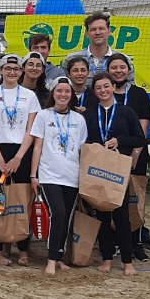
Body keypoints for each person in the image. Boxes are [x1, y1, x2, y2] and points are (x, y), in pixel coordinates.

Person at [83, 72, 146, 276]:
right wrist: (92, 146)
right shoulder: (89, 115)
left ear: (113, 87)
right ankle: (107, 258)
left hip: (118, 170)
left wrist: (120, 140)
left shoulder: (126, 112)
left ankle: (127, 261)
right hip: (96, 169)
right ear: (94, 92)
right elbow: (82, 141)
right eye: (98, 88)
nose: (103, 90)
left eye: (106, 86)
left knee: (121, 216)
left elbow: (140, 139)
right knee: (101, 215)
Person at [0, 53, 41, 266]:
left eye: (16, 69)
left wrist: (18, 157)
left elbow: (31, 129)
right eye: (7, 68)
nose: (12, 72)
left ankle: (23, 249)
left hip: (22, 152)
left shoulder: (29, 96)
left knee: (22, 200)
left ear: (21, 71)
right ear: (0, 70)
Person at [29, 77, 88, 276]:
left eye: (67, 91)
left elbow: (82, 150)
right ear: (53, 93)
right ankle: (51, 259)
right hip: (49, 175)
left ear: (71, 95)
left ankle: (60, 256)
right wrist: (33, 175)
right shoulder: (43, 116)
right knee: (58, 213)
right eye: (59, 91)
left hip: (72, 176)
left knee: (67, 217)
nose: (63, 95)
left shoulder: (79, 119)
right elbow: (37, 147)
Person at [107, 52, 150, 261]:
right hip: (109, 157)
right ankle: (114, 242)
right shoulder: (103, 92)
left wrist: (136, 153)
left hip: (135, 156)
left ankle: (136, 243)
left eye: (122, 67)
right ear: (107, 71)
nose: (118, 71)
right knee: (111, 200)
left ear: (128, 70)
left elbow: (143, 126)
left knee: (135, 201)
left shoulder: (138, 94)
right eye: (114, 67)